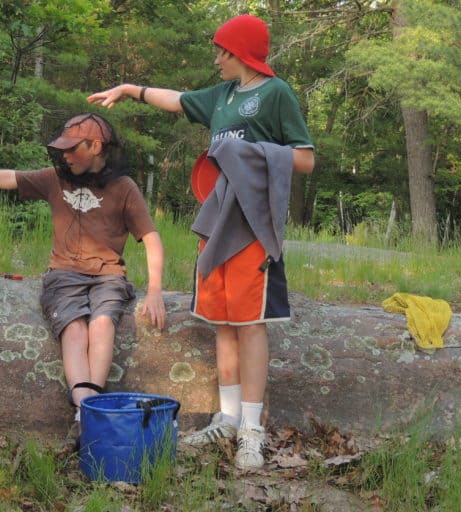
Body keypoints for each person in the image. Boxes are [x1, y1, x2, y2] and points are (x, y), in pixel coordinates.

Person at [87, 14, 315, 470]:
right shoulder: (223, 95)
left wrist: (247, 153)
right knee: (222, 322)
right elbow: (176, 100)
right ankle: (227, 419)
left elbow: (305, 160)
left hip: (253, 225)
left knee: (250, 324)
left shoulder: (276, 94)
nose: (216, 59)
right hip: (215, 222)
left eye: (222, 52)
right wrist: (132, 90)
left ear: (243, 54)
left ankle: (253, 429)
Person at [0, 113, 166, 426]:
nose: (66, 155)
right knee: (74, 328)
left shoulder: (124, 187)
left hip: (108, 276)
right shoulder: (55, 178)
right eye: (63, 148)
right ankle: (85, 411)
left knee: (102, 324)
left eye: (73, 148)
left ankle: (91, 405)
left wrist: (155, 290)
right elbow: (9, 177)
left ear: (96, 146)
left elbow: (152, 237)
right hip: (63, 276)